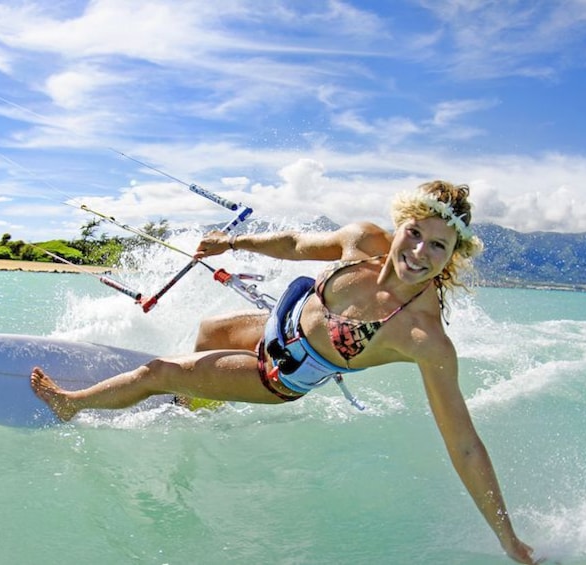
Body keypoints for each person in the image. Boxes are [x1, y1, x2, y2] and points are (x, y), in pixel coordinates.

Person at [31, 180, 539, 564]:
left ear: (453, 257)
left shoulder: (424, 338)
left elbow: (465, 443)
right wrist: (234, 246)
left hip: (278, 373)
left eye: (439, 246)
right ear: (400, 225)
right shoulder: (361, 241)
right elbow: (297, 243)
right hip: (278, 324)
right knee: (209, 330)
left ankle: (70, 405)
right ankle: (197, 404)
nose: (419, 253)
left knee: (157, 372)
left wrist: (506, 537)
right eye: (416, 234)